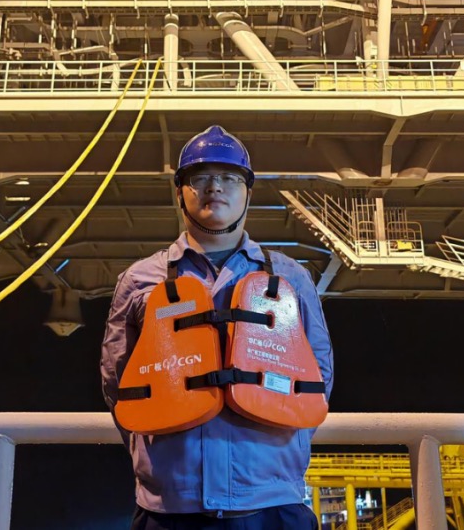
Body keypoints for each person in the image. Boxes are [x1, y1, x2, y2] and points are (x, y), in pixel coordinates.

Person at [101, 125, 334, 529]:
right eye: (200, 177)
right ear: (180, 192)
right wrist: (159, 456)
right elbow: (117, 382)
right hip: (170, 506)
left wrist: (281, 451)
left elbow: (319, 373)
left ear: (248, 192)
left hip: (272, 502)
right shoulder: (139, 280)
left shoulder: (290, 277)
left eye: (229, 177)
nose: (215, 187)